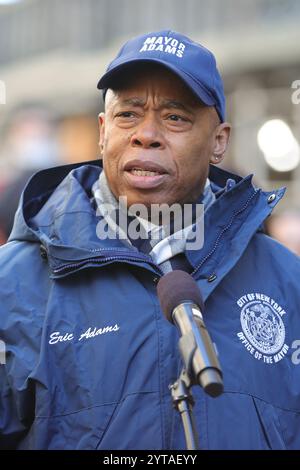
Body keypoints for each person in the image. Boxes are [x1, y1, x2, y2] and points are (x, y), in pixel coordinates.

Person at [0, 30, 300, 451]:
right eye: (128, 114)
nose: (147, 134)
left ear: (219, 141)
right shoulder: (13, 285)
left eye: (175, 117)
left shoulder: (288, 281)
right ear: (103, 131)